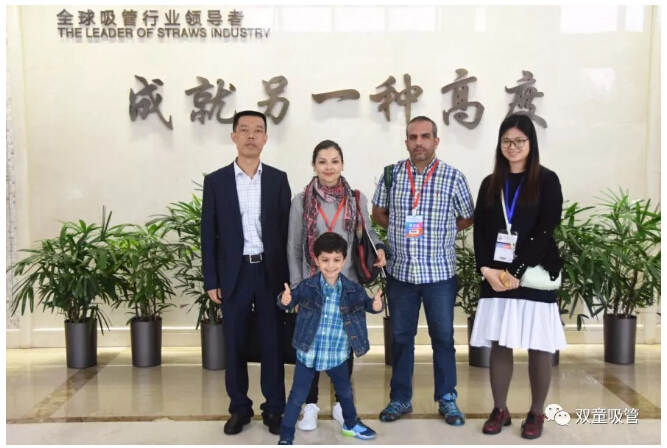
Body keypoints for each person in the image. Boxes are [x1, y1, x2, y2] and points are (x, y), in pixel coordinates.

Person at [371, 116, 475, 425]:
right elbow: (378, 212)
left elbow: (467, 216)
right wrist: (398, 232)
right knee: (402, 338)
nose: (419, 142)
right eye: (413, 137)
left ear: (436, 141)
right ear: (406, 142)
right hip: (401, 273)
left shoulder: (453, 177)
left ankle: (447, 399)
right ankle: (400, 398)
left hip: (439, 274)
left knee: (443, 337)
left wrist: (443, 231)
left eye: (425, 136)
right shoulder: (391, 175)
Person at [469, 113, 566, 439]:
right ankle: (500, 409)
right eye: (506, 141)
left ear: (531, 143)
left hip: (533, 273)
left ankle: (536, 412)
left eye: (519, 141)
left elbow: (545, 229)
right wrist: (486, 270)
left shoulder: (547, 180)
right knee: (500, 344)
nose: (512, 147)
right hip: (497, 277)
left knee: (539, 345)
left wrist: (516, 270)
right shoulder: (490, 183)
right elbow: (481, 233)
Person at [201, 110, 292, 436]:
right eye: (244, 130)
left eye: (257, 130)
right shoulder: (216, 181)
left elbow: (287, 233)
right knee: (235, 344)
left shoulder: (278, 179)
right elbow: (208, 234)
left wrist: (289, 281)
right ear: (234, 137)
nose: (251, 136)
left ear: (266, 138)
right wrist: (211, 279)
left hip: (270, 274)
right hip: (234, 274)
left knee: (272, 344)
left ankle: (274, 409)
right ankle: (239, 408)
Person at [286, 139, 387, 430]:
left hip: (347, 286)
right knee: (310, 346)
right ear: (314, 165)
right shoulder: (300, 201)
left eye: (334, 161)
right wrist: (297, 288)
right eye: (322, 161)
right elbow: (293, 247)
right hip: (312, 287)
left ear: (342, 164)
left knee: (345, 345)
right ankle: (311, 406)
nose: (329, 167)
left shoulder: (356, 199)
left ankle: (342, 405)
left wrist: (380, 248)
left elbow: (368, 234)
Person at [277, 232, 383, 445]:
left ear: (344, 260)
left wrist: (375, 305)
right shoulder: (307, 286)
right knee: (297, 397)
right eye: (325, 260)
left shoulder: (353, 289)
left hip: (337, 354)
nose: (331, 265)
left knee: (345, 392)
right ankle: (286, 437)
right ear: (316, 260)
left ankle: (351, 424)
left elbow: (367, 304)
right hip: (309, 353)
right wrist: (284, 298)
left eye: (336, 260)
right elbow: (288, 301)